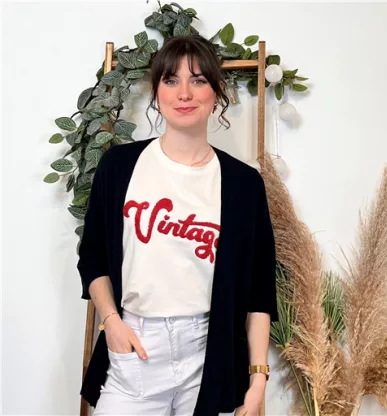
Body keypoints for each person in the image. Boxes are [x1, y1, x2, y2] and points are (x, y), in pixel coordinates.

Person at [77, 34, 278, 416]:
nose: (184, 93)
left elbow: (259, 292)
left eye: (198, 80)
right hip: (136, 346)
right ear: (157, 92)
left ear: (217, 92)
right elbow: (93, 256)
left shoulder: (244, 185)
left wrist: (258, 381)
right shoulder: (119, 167)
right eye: (171, 80)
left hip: (209, 354)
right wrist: (111, 321)